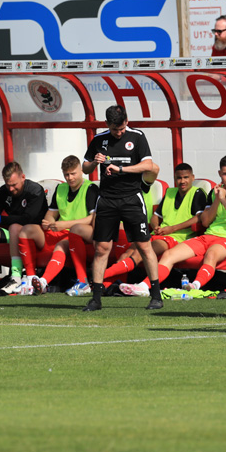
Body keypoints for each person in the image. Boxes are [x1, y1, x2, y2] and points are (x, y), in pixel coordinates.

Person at [81, 105, 161, 311]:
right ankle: (96, 298)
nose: (120, 132)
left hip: (131, 198)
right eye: (116, 129)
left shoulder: (137, 136)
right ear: (107, 125)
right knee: (101, 248)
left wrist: (121, 168)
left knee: (144, 245)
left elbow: (148, 166)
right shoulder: (99, 140)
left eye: (123, 127)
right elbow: (85, 167)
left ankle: (156, 295)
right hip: (107, 199)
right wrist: (94, 162)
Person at [139, 156, 226, 293]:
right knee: (169, 254)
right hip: (209, 235)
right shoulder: (214, 192)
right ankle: (144, 286)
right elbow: (205, 221)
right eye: (225, 174)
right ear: (219, 174)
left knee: (211, 254)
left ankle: (195, 285)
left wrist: (223, 200)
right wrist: (217, 199)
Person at [113, 162, 208, 294]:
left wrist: (172, 229)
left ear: (192, 177)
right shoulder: (170, 192)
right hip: (160, 234)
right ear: (174, 179)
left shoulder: (198, 193)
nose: (182, 181)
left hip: (178, 238)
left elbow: (199, 218)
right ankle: (115, 284)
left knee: (141, 253)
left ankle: (103, 279)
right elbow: (156, 216)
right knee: (126, 253)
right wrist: (156, 225)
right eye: (179, 178)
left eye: (186, 177)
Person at [17, 155, 99, 295]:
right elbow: (51, 213)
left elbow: (92, 218)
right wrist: (48, 221)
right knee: (26, 230)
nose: (70, 178)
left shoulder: (90, 188)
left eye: (73, 174)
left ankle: (44, 282)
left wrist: (64, 224)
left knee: (63, 243)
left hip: (78, 235)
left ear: (81, 171)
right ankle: (30, 278)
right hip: (59, 230)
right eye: (66, 174)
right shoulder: (60, 188)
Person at [0, 161, 48, 293]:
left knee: (15, 227)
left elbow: (28, 219)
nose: (11, 189)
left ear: (23, 177)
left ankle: (16, 277)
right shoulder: (2, 191)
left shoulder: (35, 190)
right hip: (13, 234)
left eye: (14, 185)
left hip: (35, 235)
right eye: (8, 185)